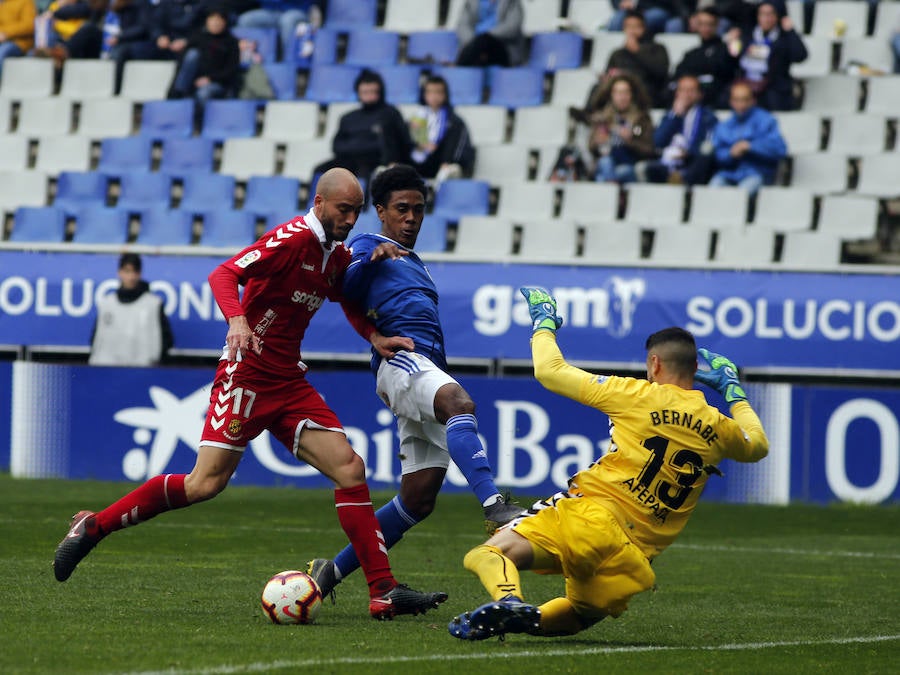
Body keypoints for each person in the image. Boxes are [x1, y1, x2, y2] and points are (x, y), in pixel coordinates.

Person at [54, 168, 449, 621]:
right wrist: (237, 319)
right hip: (247, 377)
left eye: (357, 212)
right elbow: (224, 274)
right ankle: (94, 526)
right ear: (319, 203)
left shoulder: (333, 255)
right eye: (344, 209)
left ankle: (383, 591)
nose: (351, 219)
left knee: (349, 468)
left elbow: (344, 298)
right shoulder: (291, 238)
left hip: (288, 382)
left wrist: (374, 336)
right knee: (205, 484)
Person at [448, 287, 769, 640]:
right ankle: (523, 619)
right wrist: (734, 392)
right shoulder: (719, 427)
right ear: (695, 368)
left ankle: (509, 601)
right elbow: (758, 445)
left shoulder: (637, 395)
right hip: (634, 558)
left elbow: (550, 371)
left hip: (592, 519)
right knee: (579, 615)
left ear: (655, 364)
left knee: (490, 553)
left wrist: (544, 322)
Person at [306, 165, 526, 602]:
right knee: (458, 402)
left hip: (424, 366)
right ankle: (494, 506)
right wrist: (367, 263)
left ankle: (328, 574)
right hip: (403, 362)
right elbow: (343, 287)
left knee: (418, 499)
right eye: (401, 209)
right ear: (382, 211)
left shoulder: (415, 263)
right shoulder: (368, 244)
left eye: (418, 210)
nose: (411, 218)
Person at [314, 68, 414, 183]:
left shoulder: (390, 114)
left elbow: (396, 144)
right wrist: (362, 146)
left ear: (380, 92)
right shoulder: (348, 118)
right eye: (365, 92)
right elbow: (336, 146)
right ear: (358, 93)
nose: (369, 96)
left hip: (374, 162)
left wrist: (356, 146)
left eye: (373, 92)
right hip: (348, 160)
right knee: (320, 170)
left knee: (363, 173)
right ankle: (316, 200)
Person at [89, 253, 174, 367]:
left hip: (141, 372)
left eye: (135, 272)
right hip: (107, 372)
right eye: (127, 271)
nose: (131, 277)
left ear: (140, 274)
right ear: (119, 273)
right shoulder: (106, 304)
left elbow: (166, 341)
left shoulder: (153, 304)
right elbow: (96, 340)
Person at [725, 0, 807, 111]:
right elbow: (734, 57)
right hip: (747, 84)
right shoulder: (748, 35)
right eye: (762, 14)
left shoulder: (784, 38)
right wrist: (732, 43)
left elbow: (800, 56)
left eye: (770, 14)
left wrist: (791, 31)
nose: (766, 18)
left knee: (774, 100)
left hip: (772, 88)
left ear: (778, 15)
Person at [636, 74, 717, 185]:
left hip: (692, 162)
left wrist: (688, 153)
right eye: (683, 90)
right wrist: (676, 117)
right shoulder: (669, 116)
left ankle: (682, 181)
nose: (687, 94)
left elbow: (709, 145)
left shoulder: (708, 117)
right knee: (642, 168)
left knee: (705, 157)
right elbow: (657, 142)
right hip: (668, 163)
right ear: (677, 93)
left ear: (699, 94)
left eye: (691, 90)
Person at [709, 80, 786, 197]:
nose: (741, 105)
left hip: (757, 174)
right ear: (731, 102)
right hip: (729, 174)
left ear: (753, 100)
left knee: (741, 194)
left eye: (745, 99)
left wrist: (750, 147)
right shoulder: (724, 126)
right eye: (737, 100)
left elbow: (780, 150)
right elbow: (717, 155)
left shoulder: (766, 121)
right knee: (712, 189)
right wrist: (730, 154)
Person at [587, 72, 655, 184]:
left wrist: (630, 141)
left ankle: (608, 187)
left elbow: (649, 150)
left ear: (632, 94)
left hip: (629, 164)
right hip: (606, 163)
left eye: (625, 92)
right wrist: (597, 142)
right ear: (611, 95)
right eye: (618, 92)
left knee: (609, 175)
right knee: (605, 162)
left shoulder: (641, 119)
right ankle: (611, 185)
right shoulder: (602, 119)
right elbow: (591, 147)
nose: (622, 97)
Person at [408, 75, 476, 185]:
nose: (434, 96)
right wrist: (422, 145)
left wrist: (447, 161)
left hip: (442, 165)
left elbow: (459, 148)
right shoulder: (417, 117)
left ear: (445, 95)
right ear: (424, 94)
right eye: (429, 92)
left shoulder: (454, 121)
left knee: (446, 171)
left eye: (438, 92)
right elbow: (410, 143)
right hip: (420, 164)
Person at [169, 5, 241, 103]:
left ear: (225, 22)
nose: (215, 23)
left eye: (218, 20)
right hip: (194, 81)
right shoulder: (198, 38)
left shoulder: (231, 42)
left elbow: (231, 69)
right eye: (212, 19)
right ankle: (178, 96)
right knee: (192, 54)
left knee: (203, 93)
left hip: (218, 83)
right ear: (207, 21)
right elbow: (183, 66)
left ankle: (199, 118)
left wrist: (210, 79)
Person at [672, 7, 738, 109]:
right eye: (701, 24)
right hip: (686, 102)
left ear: (717, 25)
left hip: (712, 99)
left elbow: (725, 72)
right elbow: (678, 74)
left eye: (709, 24)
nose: (705, 28)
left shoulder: (725, 49)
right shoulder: (691, 53)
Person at [605, 10, 670, 107]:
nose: (632, 30)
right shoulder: (617, 53)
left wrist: (637, 51)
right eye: (629, 27)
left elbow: (661, 72)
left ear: (643, 28)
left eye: (636, 26)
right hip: (621, 90)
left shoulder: (657, 48)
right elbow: (608, 75)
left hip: (646, 91)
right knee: (597, 88)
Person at [235, 0, 321, 61]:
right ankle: (250, 58)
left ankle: (287, 60)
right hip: (272, 11)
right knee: (245, 20)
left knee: (287, 21)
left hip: (298, 10)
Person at [104, 0, 156, 93]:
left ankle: (115, 90)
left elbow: (143, 28)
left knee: (119, 53)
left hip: (142, 44)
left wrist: (120, 37)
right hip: (124, 43)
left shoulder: (142, 4)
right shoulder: (120, 6)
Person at [455, 0, 525, 67]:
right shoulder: (472, 2)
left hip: (502, 47)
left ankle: (458, 66)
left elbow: (512, 27)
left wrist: (487, 35)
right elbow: (462, 26)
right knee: (481, 43)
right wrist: (475, 41)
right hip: (476, 46)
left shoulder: (511, 2)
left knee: (484, 40)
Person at [607, 0, 693, 35]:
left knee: (649, 17)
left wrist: (637, 4)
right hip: (630, 10)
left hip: (660, 8)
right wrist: (621, 3)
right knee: (616, 21)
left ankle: (642, 49)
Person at [0, 0, 36, 76]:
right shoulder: (3, 4)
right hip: (3, 41)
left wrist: (6, 34)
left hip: (19, 43)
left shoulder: (25, 2)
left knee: (2, 51)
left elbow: (29, 25)